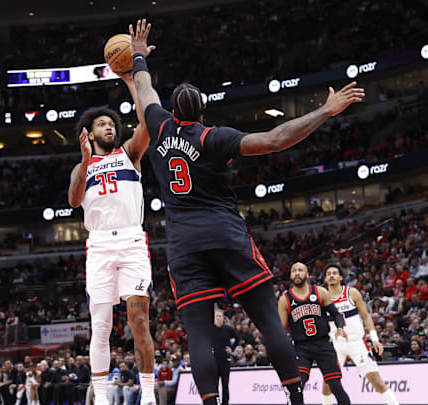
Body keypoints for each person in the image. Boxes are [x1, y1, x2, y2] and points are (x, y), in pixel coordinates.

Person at [127, 18, 364, 405]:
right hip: (226, 234)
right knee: (269, 320)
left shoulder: (158, 125)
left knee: (199, 335)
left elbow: (144, 88)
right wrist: (325, 111)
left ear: (172, 112)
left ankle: (208, 401)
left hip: (185, 245)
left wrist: (139, 55)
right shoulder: (213, 136)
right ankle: (295, 398)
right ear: (202, 111)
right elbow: (274, 139)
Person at [67, 67, 156, 405]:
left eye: (112, 124)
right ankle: (101, 397)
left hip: (132, 241)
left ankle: (148, 395)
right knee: (101, 325)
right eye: (102, 124)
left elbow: (147, 123)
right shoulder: (81, 167)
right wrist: (86, 163)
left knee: (138, 320)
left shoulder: (129, 153)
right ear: (88, 133)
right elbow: (74, 200)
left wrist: (134, 84)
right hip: (100, 245)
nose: (109, 127)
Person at [321, 264, 399, 405]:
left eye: (334, 273)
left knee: (376, 381)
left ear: (340, 277)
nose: (331, 275)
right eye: (328, 273)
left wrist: (375, 339)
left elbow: (366, 316)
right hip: (335, 344)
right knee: (328, 382)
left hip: (357, 342)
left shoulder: (352, 293)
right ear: (325, 278)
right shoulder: (322, 298)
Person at [279, 262, 351, 405]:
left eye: (301, 270)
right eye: (294, 271)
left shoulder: (319, 292)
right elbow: (280, 330)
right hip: (301, 348)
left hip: (323, 344)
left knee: (336, 386)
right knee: (297, 387)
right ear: (290, 276)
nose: (297, 273)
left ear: (307, 275)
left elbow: (336, 315)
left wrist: (340, 328)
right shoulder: (285, 299)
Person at [213, 309, 236, 405]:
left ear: (223, 318)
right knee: (214, 384)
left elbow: (238, 338)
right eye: (216, 316)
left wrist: (232, 348)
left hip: (225, 360)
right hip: (213, 360)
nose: (218, 318)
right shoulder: (210, 329)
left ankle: (225, 403)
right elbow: (203, 341)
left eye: (220, 316)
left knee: (225, 384)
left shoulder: (228, 329)